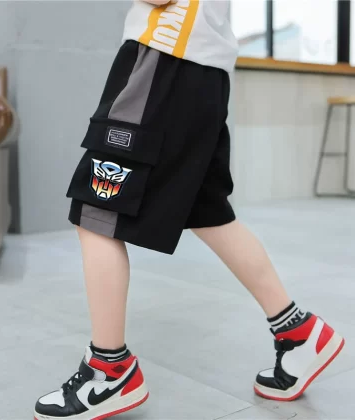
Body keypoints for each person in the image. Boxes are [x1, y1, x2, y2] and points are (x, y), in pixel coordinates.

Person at [34, 0, 345, 418]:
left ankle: (109, 371)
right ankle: (298, 331)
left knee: (97, 211)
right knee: (209, 211)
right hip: (202, 70)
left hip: (166, 58)